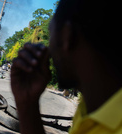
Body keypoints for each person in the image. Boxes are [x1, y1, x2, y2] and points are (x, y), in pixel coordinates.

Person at [11, 0, 122, 134]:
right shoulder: (89, 106)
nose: (48, 46)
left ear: (66, 36)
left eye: (51, 34)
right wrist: (28, 106)